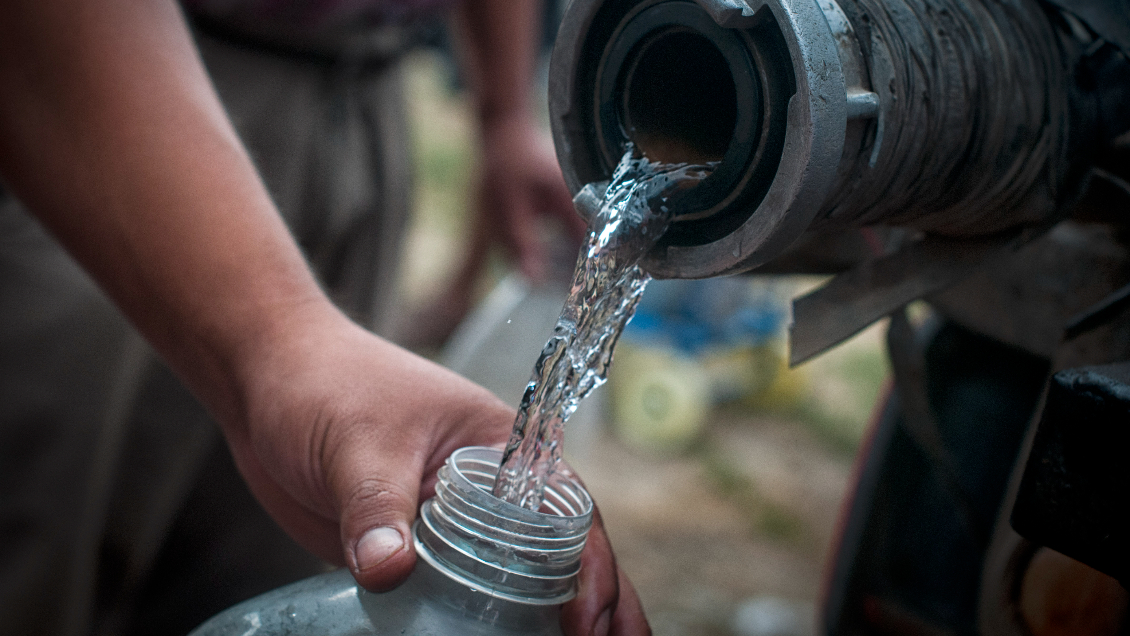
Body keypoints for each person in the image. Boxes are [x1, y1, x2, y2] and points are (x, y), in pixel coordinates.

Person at [0, 1, 646, 634]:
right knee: (50, 531)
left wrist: (504, 109)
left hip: (371, 86)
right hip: (140, 75)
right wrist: (283, 339)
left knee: (261, 558)